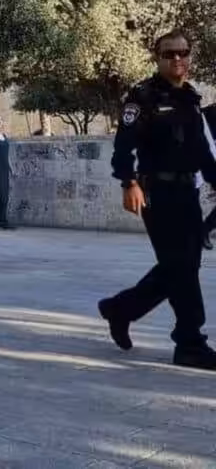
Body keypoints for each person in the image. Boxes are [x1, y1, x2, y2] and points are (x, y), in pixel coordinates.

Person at [99, 29, 216, 370]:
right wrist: (128, 182)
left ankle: (120, 309)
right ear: (158, 58)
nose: (177, 59)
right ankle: (190, 343)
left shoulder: (191, 99)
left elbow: (201, 152)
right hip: (157, 193)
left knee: (181, 266)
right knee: (181, 267)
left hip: (187, 193)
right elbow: (123, 146)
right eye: (169, 54)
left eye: (183, 52)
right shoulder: (143, 97)